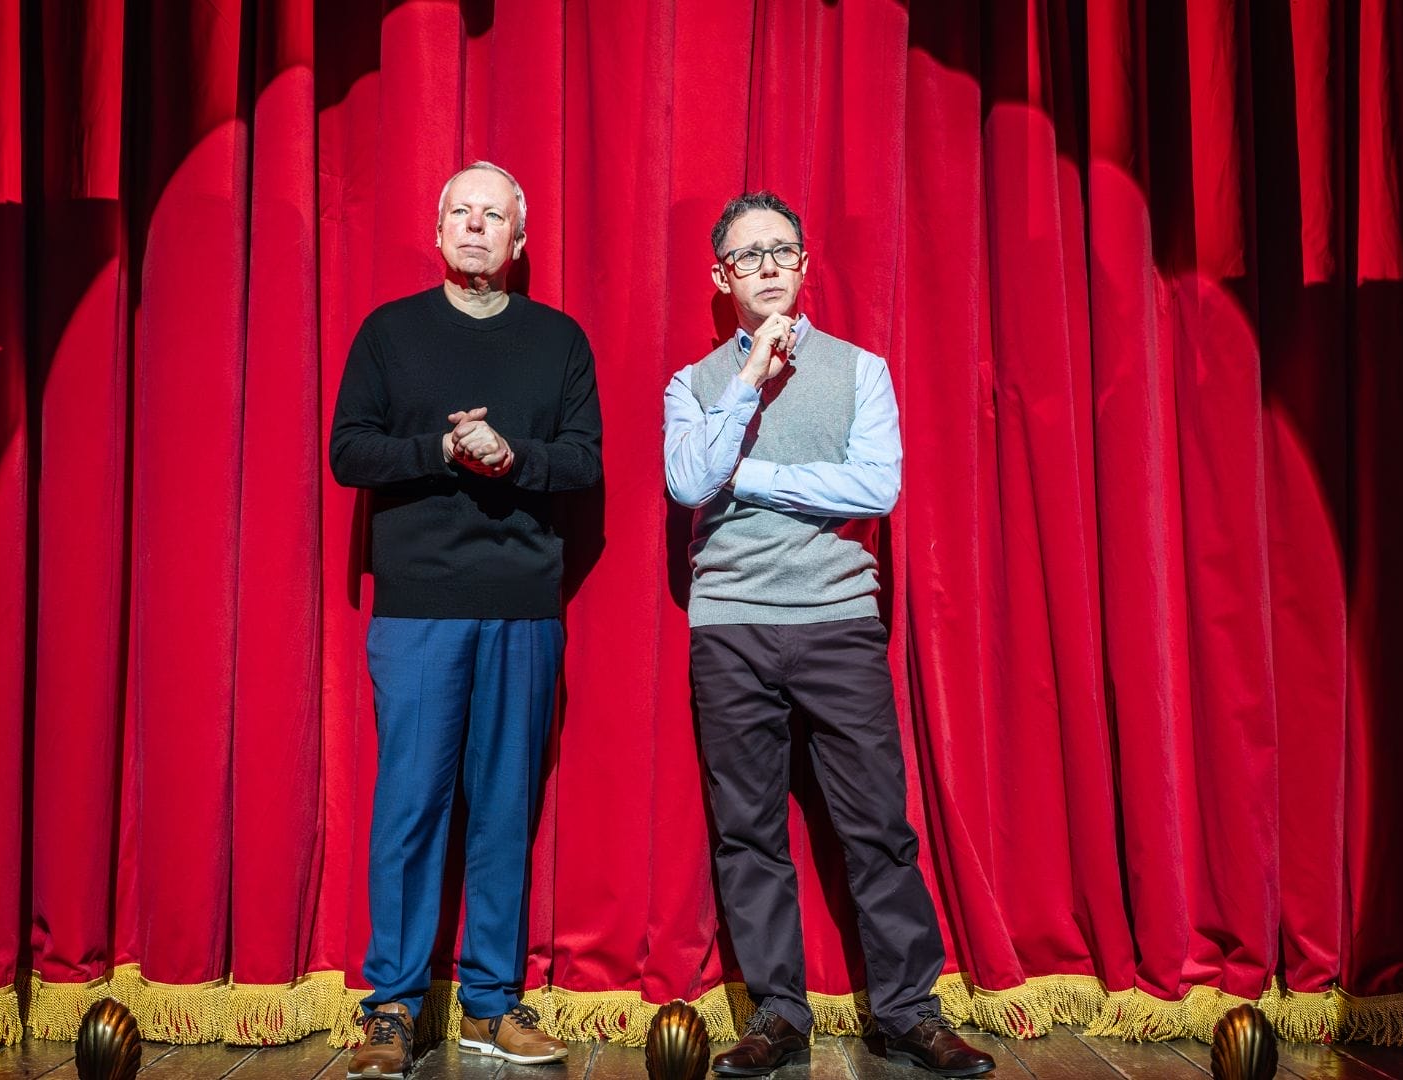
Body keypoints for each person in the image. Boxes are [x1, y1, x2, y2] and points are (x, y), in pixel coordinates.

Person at [662, 192, 995, 1078]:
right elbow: (689, 483)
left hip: (838, 621)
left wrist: (749, 475)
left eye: (783, 250)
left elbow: (875, 488)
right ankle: (778, 1016)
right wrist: (747, 382)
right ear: (721, 277)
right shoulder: (695, 384)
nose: (768, 266)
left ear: (805, 266)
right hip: (730, 626)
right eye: (748, 255)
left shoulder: (860, 371)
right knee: (747, 831)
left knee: (877, 825)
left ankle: (908, 1013)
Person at [330, 161, 601, 1080]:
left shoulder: (558, 340)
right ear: (438, 230)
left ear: (519, 239)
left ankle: (490, 1002)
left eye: (494, 215)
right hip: (420, 609)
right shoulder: (389, 333)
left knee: (503, 810)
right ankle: (392, 1008)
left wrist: (512, 456)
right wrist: (444, 450)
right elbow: (349, 452)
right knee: (411, 806)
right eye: (461, 212)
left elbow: (585, 462)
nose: (476, 225)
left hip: (523, 609)